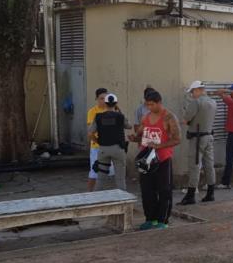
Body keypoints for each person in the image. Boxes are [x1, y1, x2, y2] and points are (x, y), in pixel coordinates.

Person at [129, 90, 181, 230]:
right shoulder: (146, 117)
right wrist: (135, 139)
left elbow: (177, 139)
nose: (149, 107)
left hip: (162, 159)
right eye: (147, 105)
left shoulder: (169, 117)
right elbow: (141, 135)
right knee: (147, 190)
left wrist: (159, 146)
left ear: (159, 102)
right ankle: (150, 218)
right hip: (146, 160)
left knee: (164, 190)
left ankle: (163, 220)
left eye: (152, 104)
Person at [180, 81, 217, 205]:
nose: (191, 94)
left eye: (192, 92)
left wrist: (185, 111)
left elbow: (185, 119)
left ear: (197, 90)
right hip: (209, 136)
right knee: (209, 165)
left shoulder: (196, 102)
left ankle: (191, 194)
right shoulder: (213, 102)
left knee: (194, 165)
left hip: (197, 138)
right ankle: (211, 192)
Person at [89, 93, 131, 190]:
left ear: (105, 103)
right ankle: (122, 201)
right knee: (120, 179)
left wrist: (98, 141)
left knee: (100, 179)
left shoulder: (98, 117)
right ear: (116, 103)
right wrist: (119, 111)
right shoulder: (120, 117)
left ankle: (97, 201)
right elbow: (129, 126)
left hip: (103, 150)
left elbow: (90, 133)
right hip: (118, 150)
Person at [87, 87, 112, 191]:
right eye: (101, 98)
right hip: (97, 146)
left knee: (109, 172)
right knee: (94, 171)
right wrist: (97, 141)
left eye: (105, 98)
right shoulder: (92, 112)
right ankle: (89, 194)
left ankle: (105, 193)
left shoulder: (111, 109)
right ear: (97, 99)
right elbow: (91, 130)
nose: (103, 100)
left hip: (110, 146)